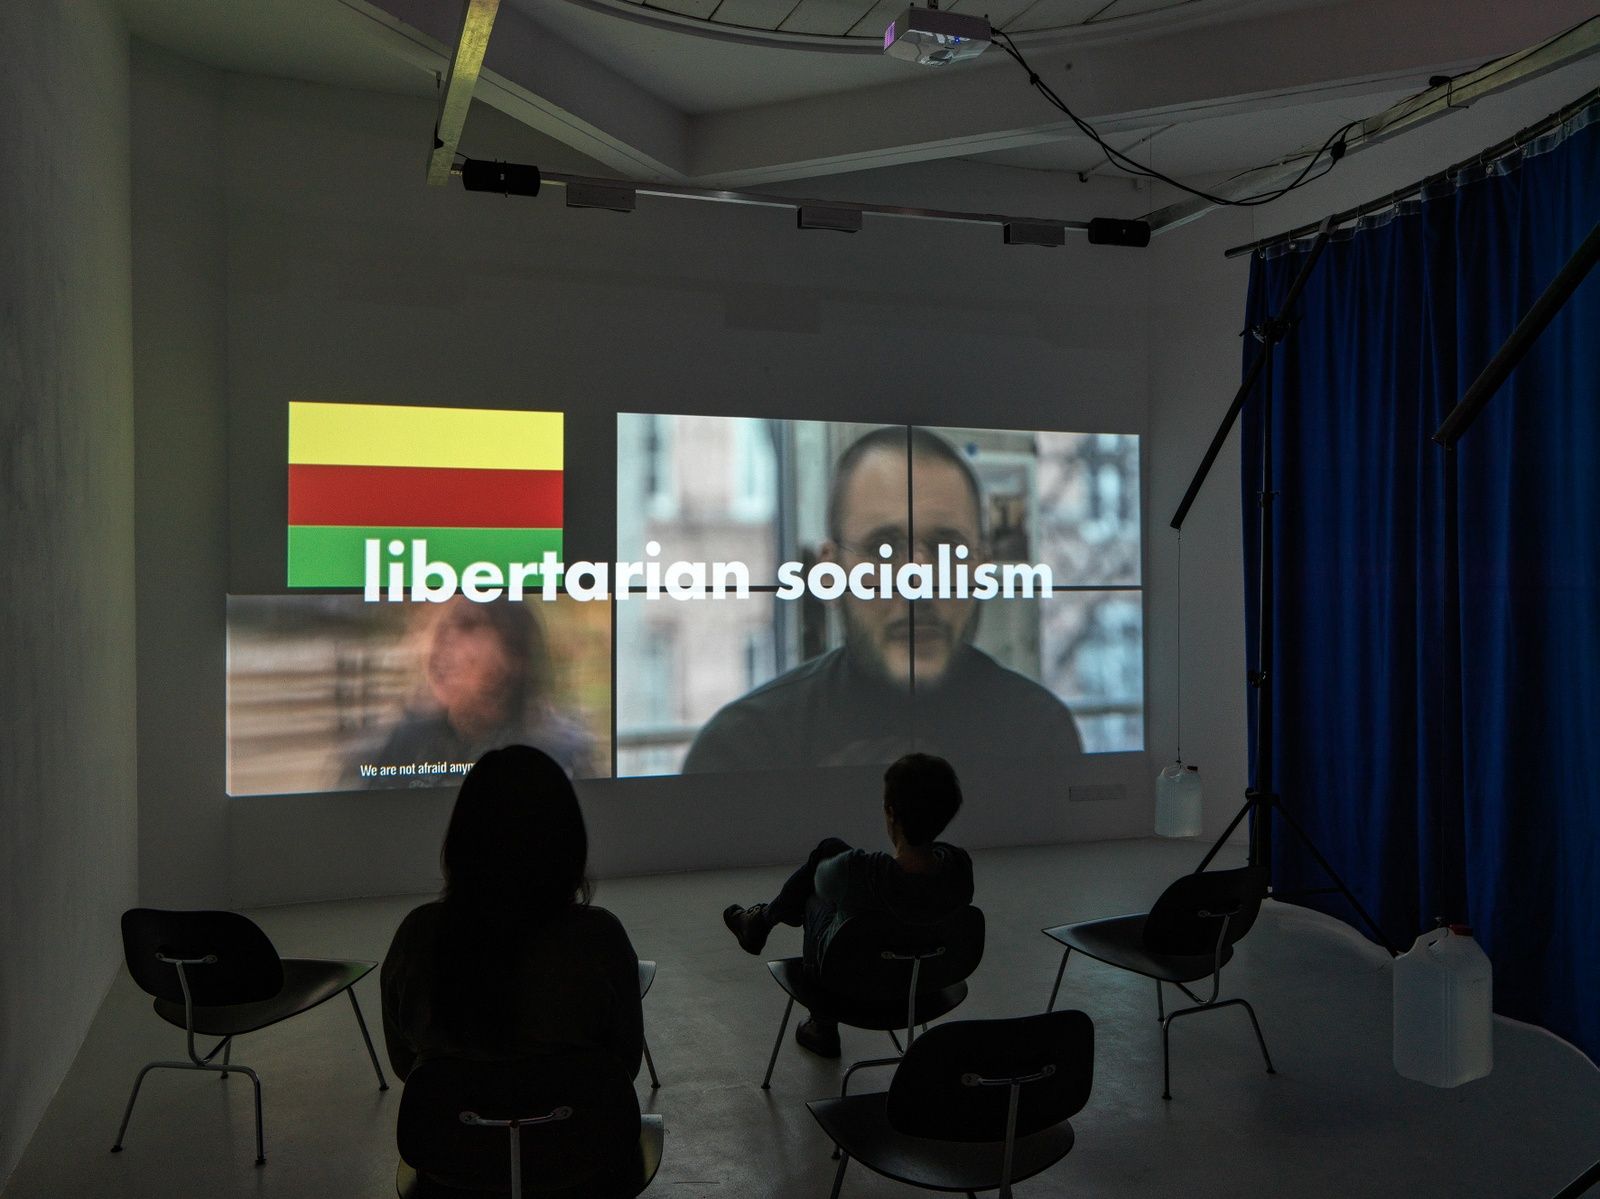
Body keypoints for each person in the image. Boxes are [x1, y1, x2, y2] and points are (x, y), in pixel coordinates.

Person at [682, 425, 1084, 773]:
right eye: (884, 549)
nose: (917, 582)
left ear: (981, 569)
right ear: (830, 574)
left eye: (947, 548)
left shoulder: (1039, 733)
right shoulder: (744, 748)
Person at [380, 745, 642, 1085]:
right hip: (575, 1119)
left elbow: (406, 1064)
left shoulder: (418, 936)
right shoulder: (599, 939)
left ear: (462, 839)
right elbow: (624, 1065)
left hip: (458, 1120)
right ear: (568, 841)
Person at [721, 752, 973, 1058]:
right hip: (927, 989)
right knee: (832, 852)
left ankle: (821, 1023)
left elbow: (821, 884)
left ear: (891, 813)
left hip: (852, 987)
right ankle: (760, 923)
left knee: (816, 891)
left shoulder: (862, 871)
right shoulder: (959, 867)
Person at [356, 596, 594, 785]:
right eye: (438, 626)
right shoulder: (406, 743)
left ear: (515, 655)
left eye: (467, 624)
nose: (440, 639)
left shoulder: (558, 752)